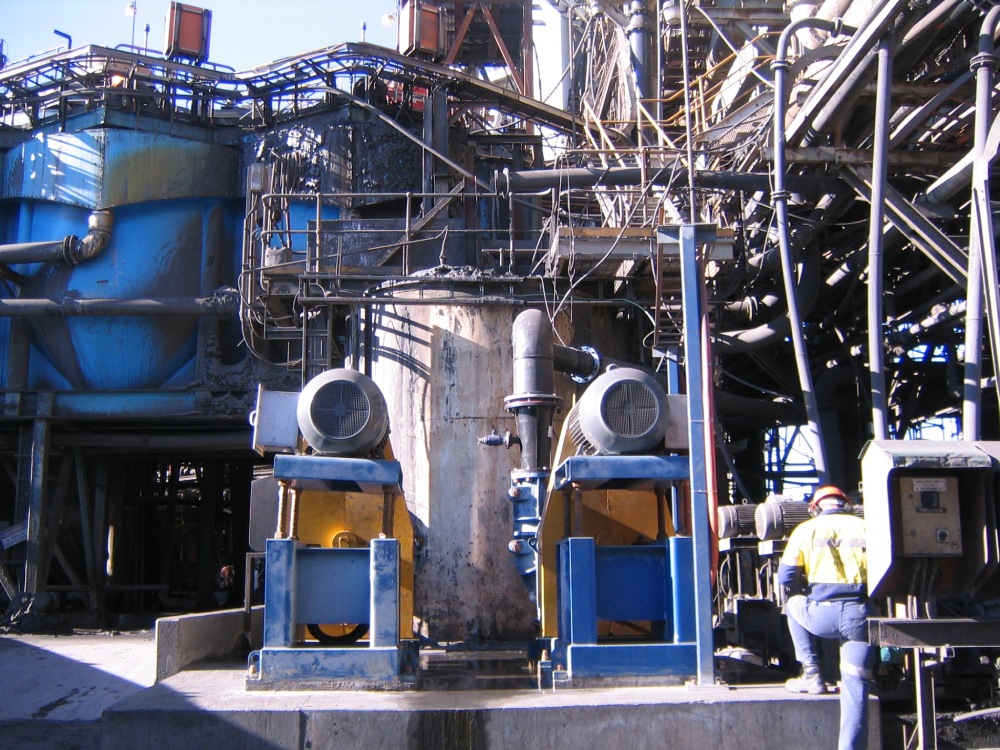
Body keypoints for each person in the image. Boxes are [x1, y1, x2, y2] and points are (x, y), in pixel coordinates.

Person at [778, 485, 876, 750]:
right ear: (845, 504)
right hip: (860, 618)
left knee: (792, 604)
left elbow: (785, 578)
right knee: (856, 690)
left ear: (815, 507)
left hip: (821, 615)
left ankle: (811, 673)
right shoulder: (866, 527)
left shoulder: (805, 530)